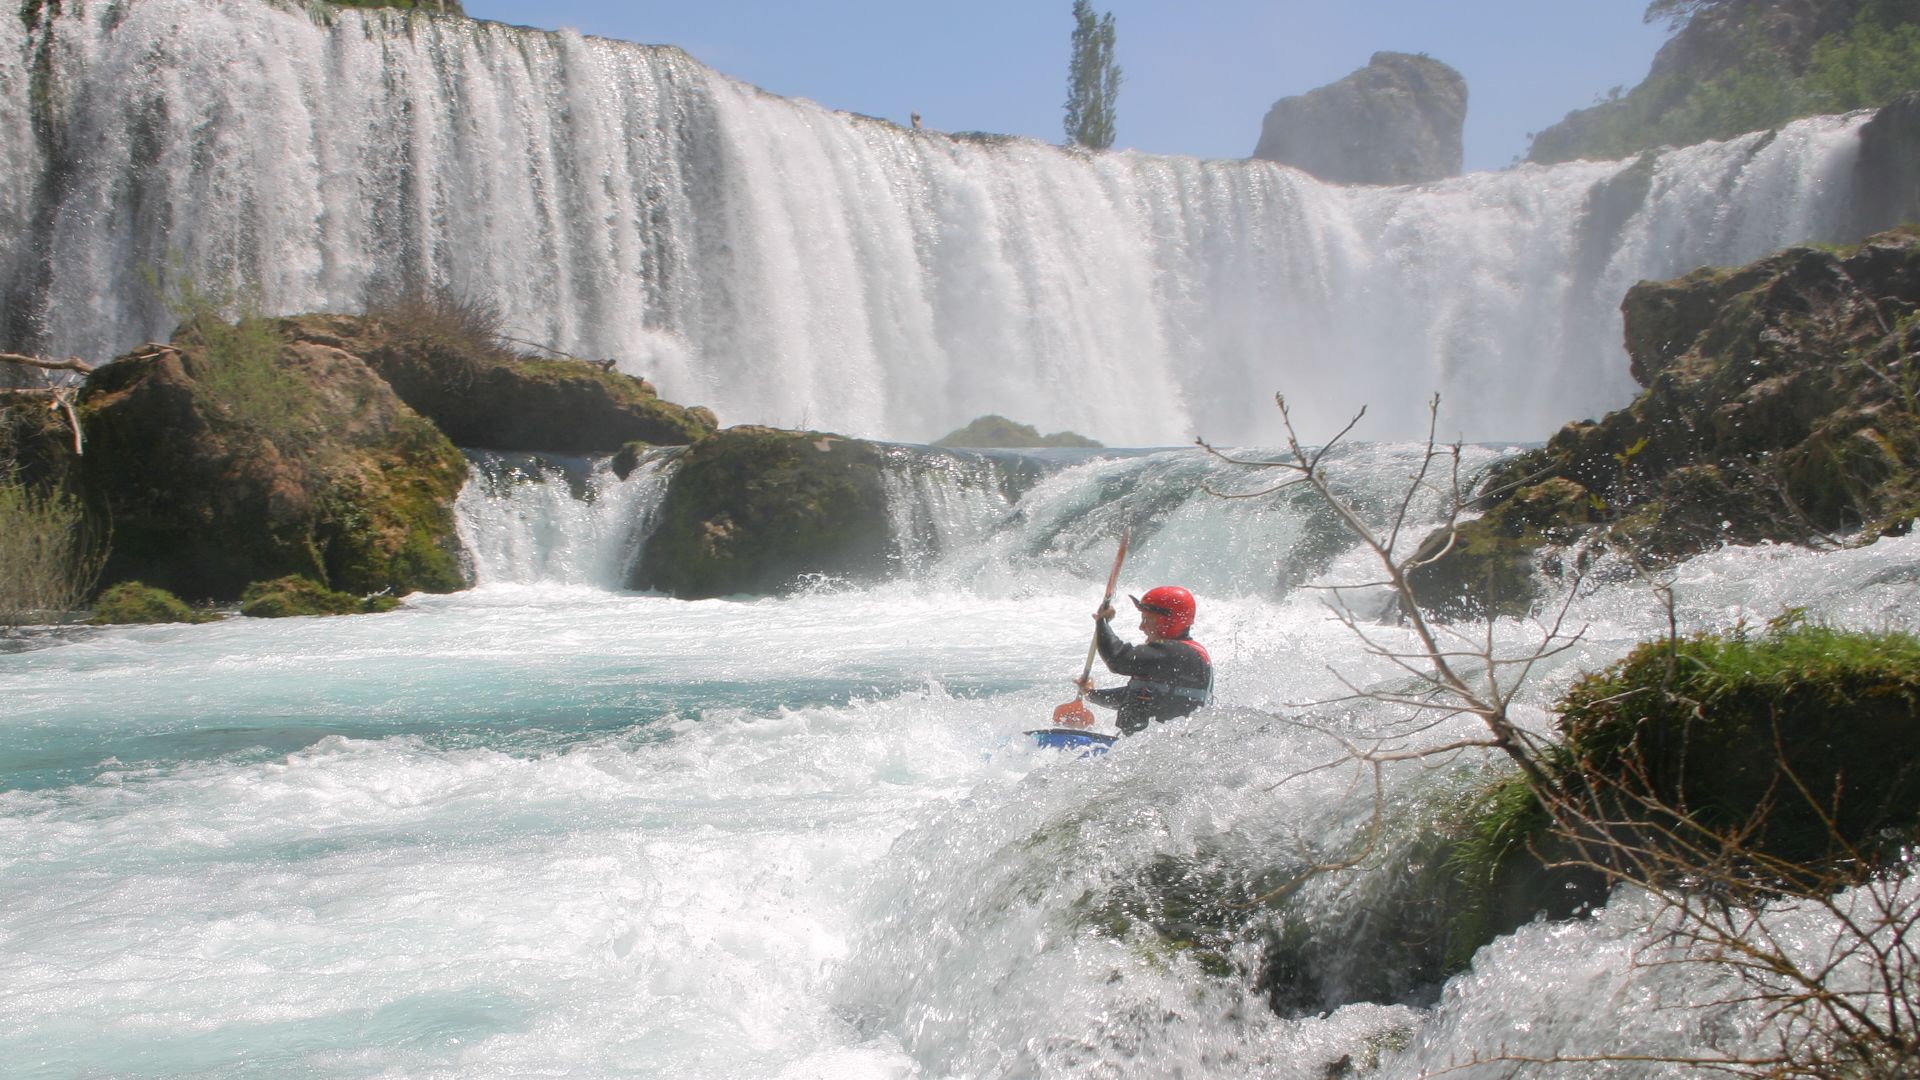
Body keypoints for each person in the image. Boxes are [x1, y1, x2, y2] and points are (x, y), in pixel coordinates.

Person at [1075, 585, 1213, 736]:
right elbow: (1132, 695)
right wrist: (1091, 694)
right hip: (1147, 749)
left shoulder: (1178, 652)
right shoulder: (1176, 655)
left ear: (1168, 622)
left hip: (1162, 752)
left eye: (1147, 619)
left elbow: (1118, 659)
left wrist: (1102, 622)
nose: (1141, 627)